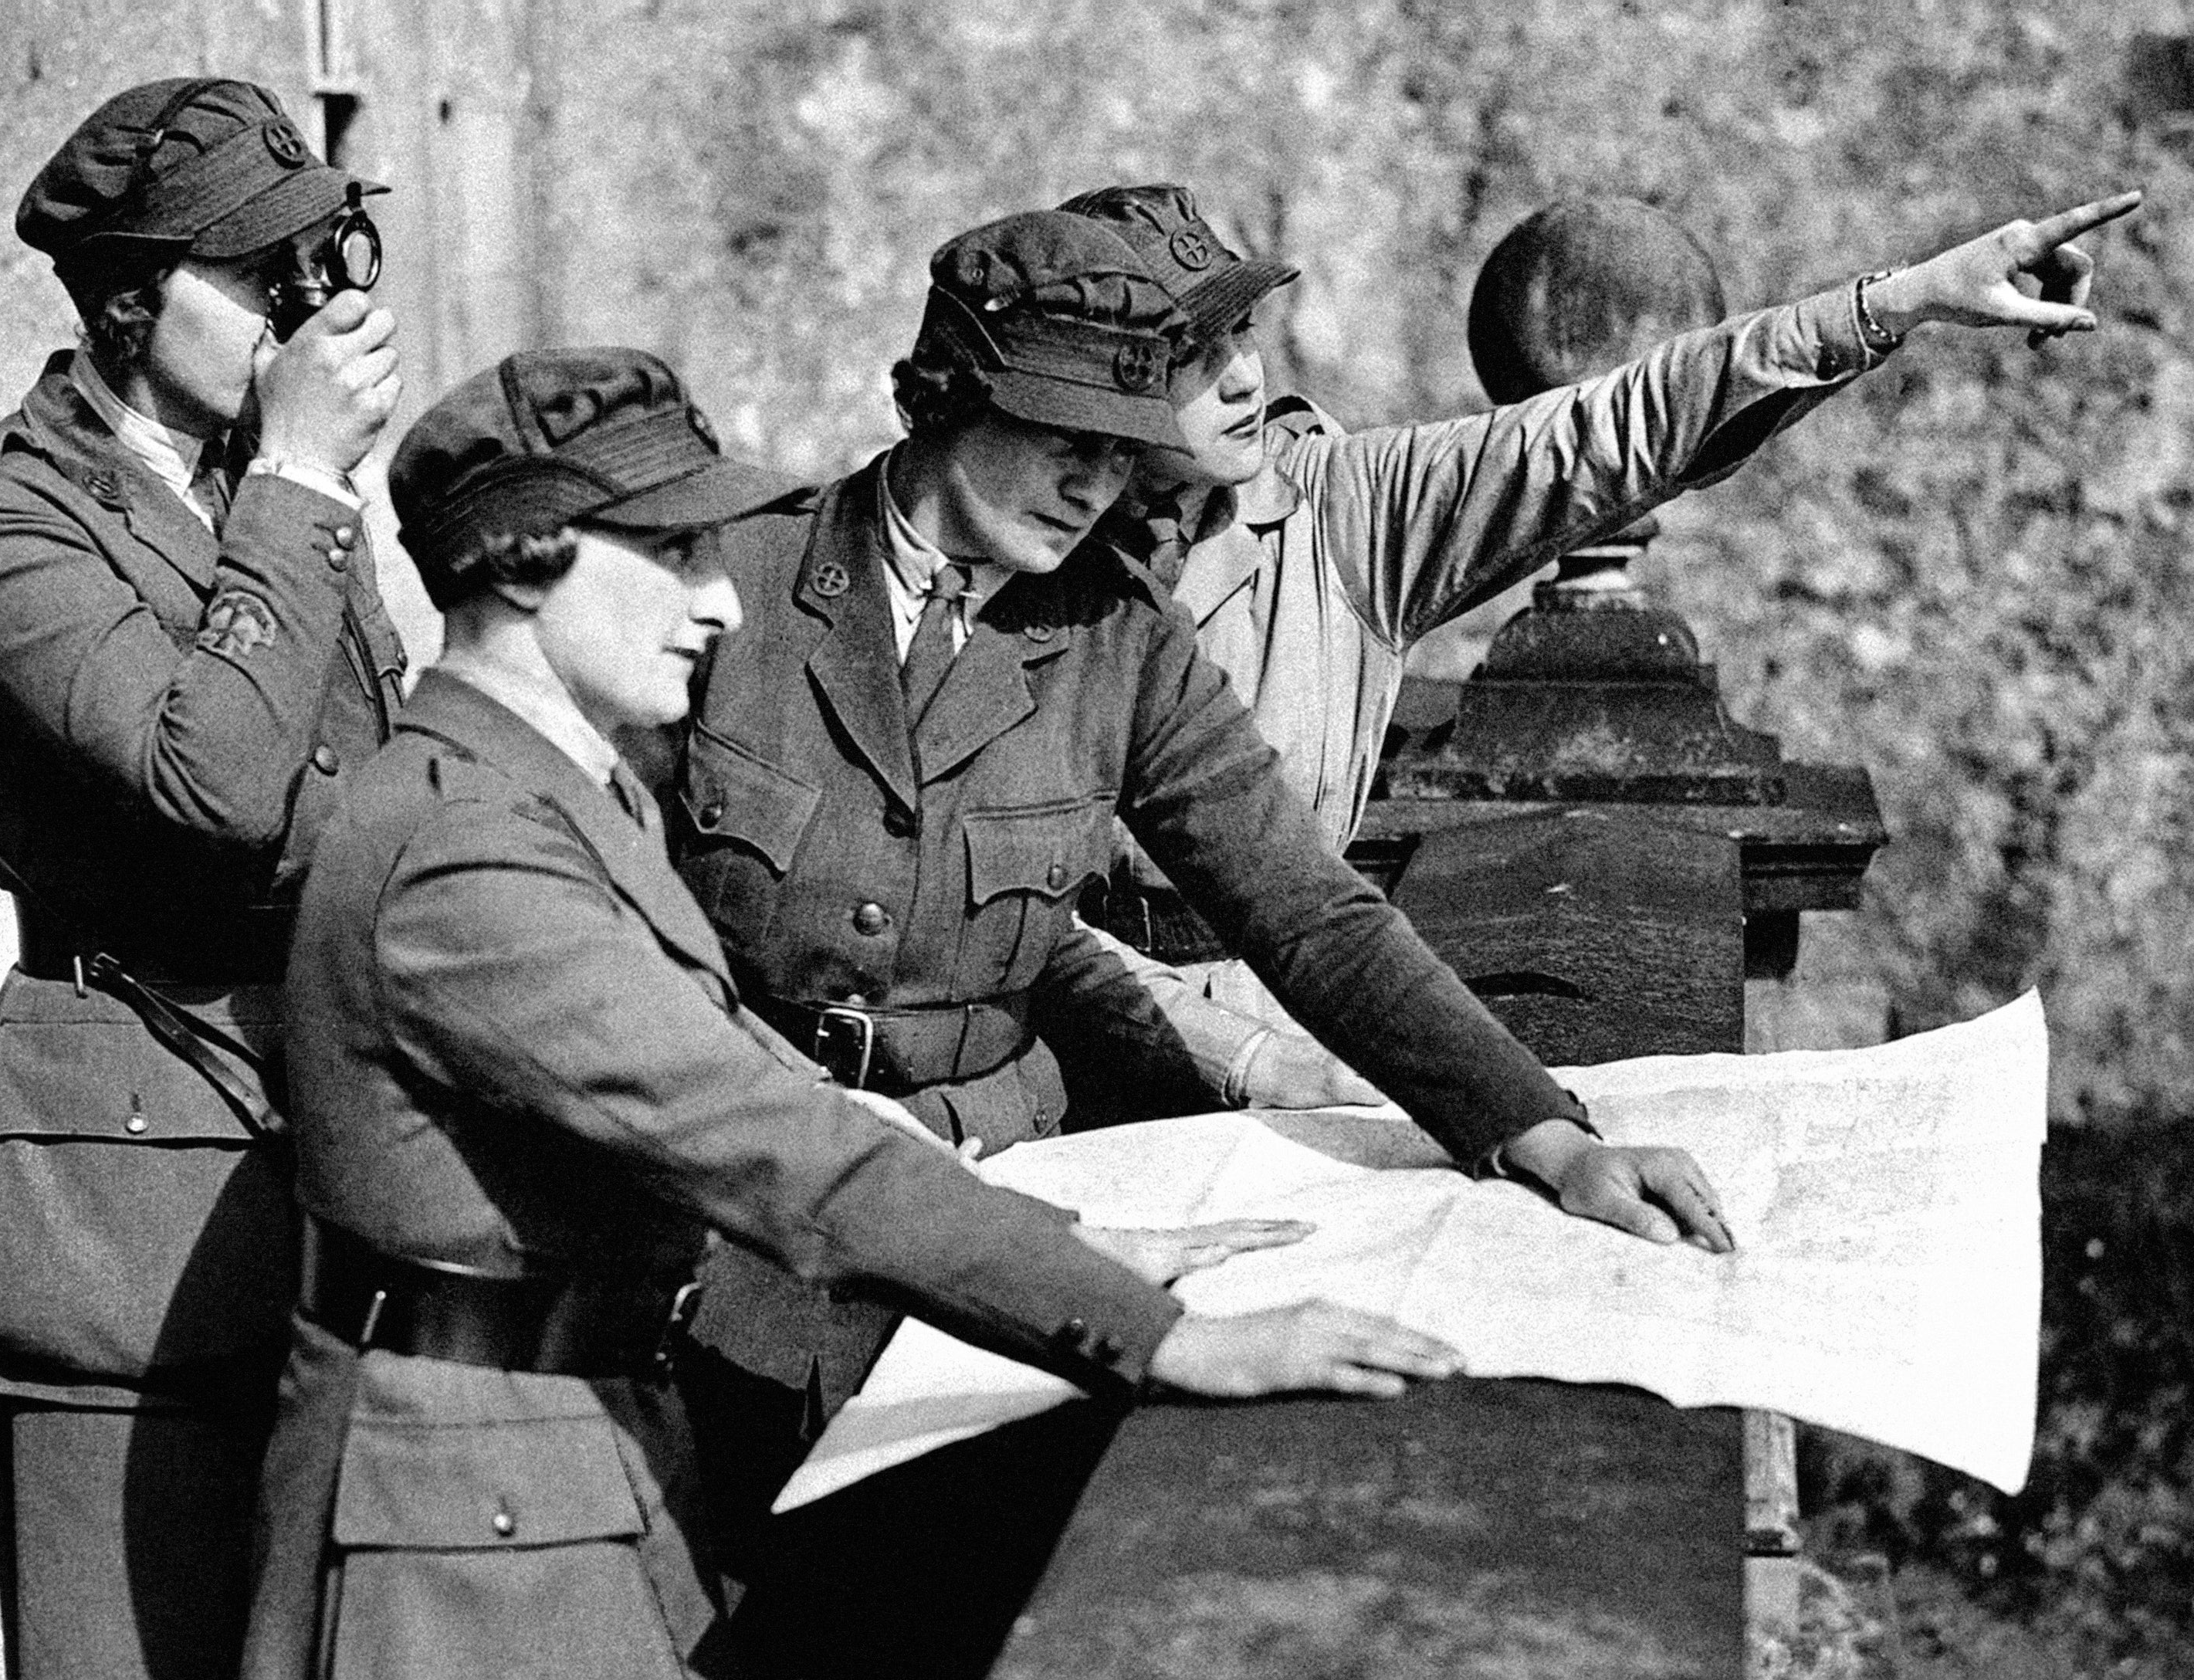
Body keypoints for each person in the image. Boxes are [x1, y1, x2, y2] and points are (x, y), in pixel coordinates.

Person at [239, 346, 1466, 1680]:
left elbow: (742, 1065)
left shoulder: (546, 795)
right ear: (529, 556)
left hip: (550, 1463)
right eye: (674, 554)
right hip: (461, 1518)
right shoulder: (468, 855)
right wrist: (1165, 1340)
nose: (720, 605)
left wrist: (1066, 1237)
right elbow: (773, 1139)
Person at [663, 210, 1739, 1670]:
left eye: (1122, 450)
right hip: (716, 1257)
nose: (1095, 484)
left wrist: (1545, 1136)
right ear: (951, 396)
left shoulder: (1113, 635)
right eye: (1065, 438)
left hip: (1004, 1262)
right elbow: (615, 927)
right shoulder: (727, 590)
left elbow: (1305, 910)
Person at [1055, 179, 2140, 1055]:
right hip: (1062, 1045)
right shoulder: (1020, 554)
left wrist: (1898, 302)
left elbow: (1616, 424)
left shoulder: (1341, 513)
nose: (1242, 379)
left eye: (1242, 334)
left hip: (1283, 1038)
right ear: (1092, 385)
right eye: (1191, 355)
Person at [0, 77, 405, 1680]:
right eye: (264, 283)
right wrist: (307, 483)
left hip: (335, 1128)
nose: (309, 315)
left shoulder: (269, 489)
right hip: (133, 1186)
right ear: (129, 300)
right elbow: (216, 782)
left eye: (323, 266)